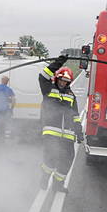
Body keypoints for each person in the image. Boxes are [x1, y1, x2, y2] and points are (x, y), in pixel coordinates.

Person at [38, 54, 82, 189]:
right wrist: (59, 62)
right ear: (57, 79)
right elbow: (43, 75)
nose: (63, 83)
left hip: (68, 135)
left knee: (67, 160)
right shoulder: (48, 88)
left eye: (66, 82)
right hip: (51, 132)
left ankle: (58, 184)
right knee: (50, 159)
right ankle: (44, 179)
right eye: (61, 80)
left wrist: (79, 131)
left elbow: (75, 115)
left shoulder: (71, 95)